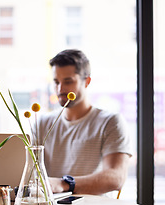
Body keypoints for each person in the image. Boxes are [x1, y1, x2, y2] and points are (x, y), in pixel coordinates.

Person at [36, 49, 133, 195]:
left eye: (68, 81)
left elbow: (116, 177)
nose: (60, 89)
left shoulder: (110, 122)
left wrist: (64, 184)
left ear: (86, 81)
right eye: (56, 82)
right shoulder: (42, 123)